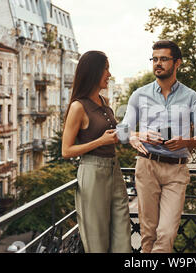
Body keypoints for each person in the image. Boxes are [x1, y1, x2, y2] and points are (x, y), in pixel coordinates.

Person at [120, 40, 196, 253]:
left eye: (163, 59)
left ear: (177, 63)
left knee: (167, 232)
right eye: (154, 59)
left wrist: (185, 142)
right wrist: (136, 135)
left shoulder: (191, 97)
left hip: (176, 170)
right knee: (148, 233)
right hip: (147, 166)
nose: (157, 63)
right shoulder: (139, 95)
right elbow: (121, 130)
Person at [61, 51, 131, 253]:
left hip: (114, 169)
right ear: (94, 72)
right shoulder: (78, 106)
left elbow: (114, 134)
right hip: (92, 171)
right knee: (97, 240)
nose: (109, 74)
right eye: (106, 69)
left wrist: (136, 133)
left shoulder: (104, 102)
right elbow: (66, 150)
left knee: (122, 233)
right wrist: (100, 141)